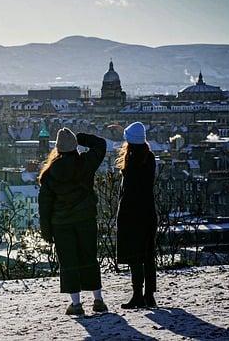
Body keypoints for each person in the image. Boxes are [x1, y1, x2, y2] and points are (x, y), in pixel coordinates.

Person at [38, 127, 108, 316]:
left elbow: (44, 205)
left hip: (61, 224)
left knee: (69, 262)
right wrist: (81, 137)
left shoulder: (49, 173)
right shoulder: (85, 163)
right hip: (85, 219)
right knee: (89, 258)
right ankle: (98, 299)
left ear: (57, 149)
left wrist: (46, 230)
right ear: (74, 147)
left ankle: (76, 304)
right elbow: (101, 145)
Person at [115, 121, 158, 309]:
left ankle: (137, 295)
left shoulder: (131, 160)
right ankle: (149, 295)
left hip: (132, 213)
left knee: (135, 257)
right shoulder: (149, 157)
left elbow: (128, 191)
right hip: (148, 211)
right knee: (148, 255)